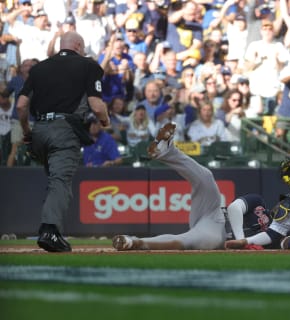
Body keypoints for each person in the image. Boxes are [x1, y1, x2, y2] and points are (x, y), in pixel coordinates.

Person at [16, 31, 110, 252]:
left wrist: (27, 131)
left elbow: (20, 105)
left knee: (54, 182)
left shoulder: (38, 68)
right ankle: (49, 230)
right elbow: (96, 105)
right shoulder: (88, 65)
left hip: (39, 130)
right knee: (60, 181)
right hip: (64, 130)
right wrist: (105, 120)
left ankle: (54, 229)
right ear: (78, 45)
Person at [112, 122, 226, 250]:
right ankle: (167, 151)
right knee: (206, 178)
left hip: (217, 233)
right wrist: (242, 237)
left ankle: (132, 242)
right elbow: (240, 205)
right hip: (215, 213)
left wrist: (244, 241)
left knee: (184, 242)